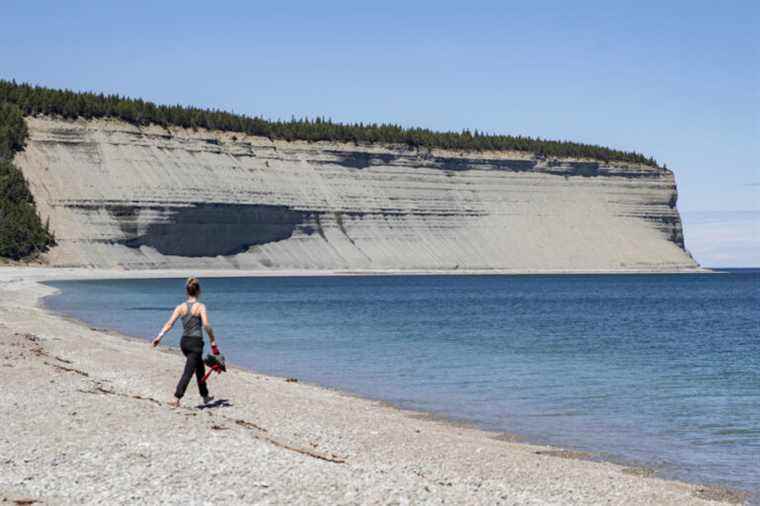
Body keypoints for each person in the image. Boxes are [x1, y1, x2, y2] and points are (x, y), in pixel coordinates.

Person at [152, 277, 220, 407]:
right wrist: (213, 341)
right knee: (189, 371)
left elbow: (169, 323)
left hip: (184, 343)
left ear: (187, 291)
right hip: (195, 344)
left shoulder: (180, 307)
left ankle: (205, 396)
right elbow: (206, 325)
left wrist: (159, 336)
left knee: (199, 368)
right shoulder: (200, 307)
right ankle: (176, 398)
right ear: (199, 291)